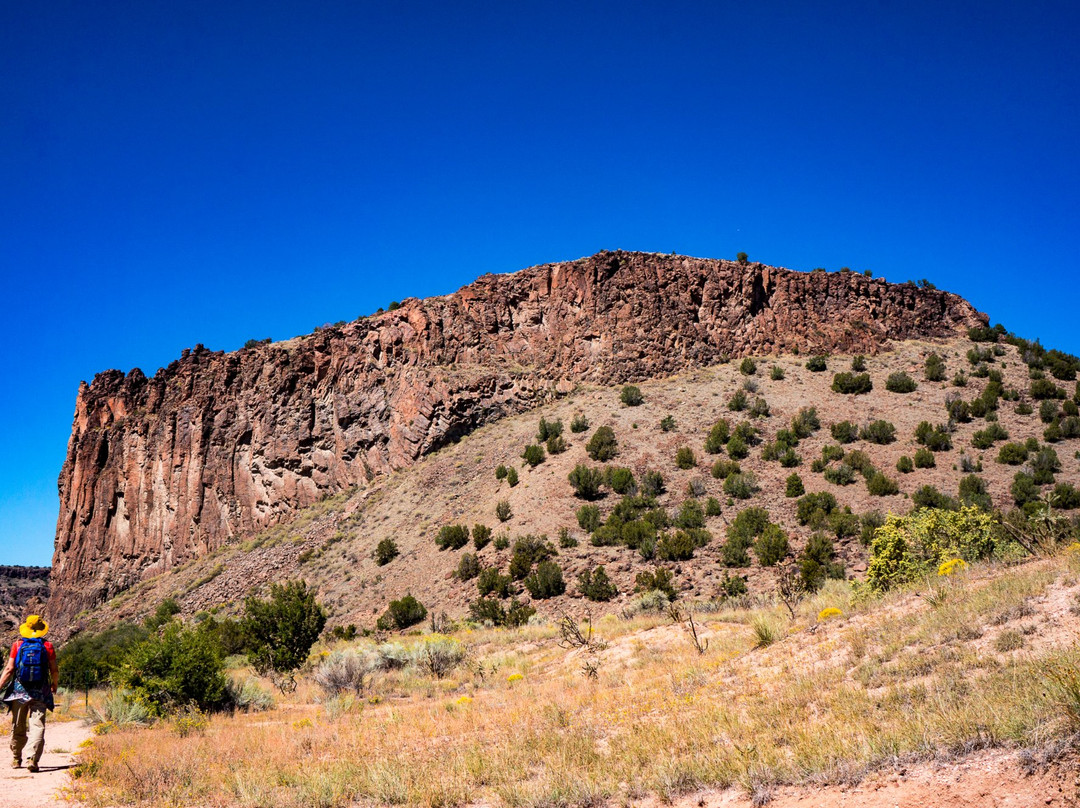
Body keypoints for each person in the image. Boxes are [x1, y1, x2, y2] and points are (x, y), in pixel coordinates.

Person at [0, 615, 58, 773]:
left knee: (18, 725)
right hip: (41, 692)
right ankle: (32, 758)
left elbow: (9, 669)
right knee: (37, 726)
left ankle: (16, 758)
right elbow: (54, 669)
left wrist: (0, 685)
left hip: (19, 692)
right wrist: (54, 684)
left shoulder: (18, 645)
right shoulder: (48, 646)